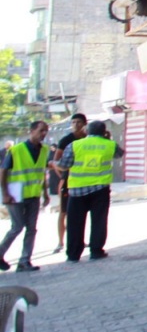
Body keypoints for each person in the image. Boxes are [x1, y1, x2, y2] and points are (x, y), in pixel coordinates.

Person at [57, 120, 124, 262]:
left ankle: (73, 254)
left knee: (75, 223)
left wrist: (53, 164)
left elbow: (63, 166)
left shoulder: (74, 145)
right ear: (104, 132)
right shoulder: (110, 145)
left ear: (86, 131)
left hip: (76, 190)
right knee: (99, 220)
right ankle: (96, 251)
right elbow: (119, 154)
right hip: (100, 189)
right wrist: (107, 138)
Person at [0, 121, 51, 272]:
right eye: (41, 130)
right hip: (15, 194)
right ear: (31, 131)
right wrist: (5, 194)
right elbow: (3, 172)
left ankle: (24, 261)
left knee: (31, 228)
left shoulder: (44, 150)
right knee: (17, 226)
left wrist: (45, 193)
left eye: (46, 131)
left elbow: (41, 172)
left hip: (33, 194)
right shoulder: (16, 150)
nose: (44, 134)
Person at [53, 113, 87, 253]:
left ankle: (79, 240)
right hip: (68, 182)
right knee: (64, 212)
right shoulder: (66, 140)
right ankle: (61, 242)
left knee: (80, 214)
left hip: (84, 181)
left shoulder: (88, 139)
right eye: (73, 122)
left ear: (85, 123)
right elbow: (56, 161)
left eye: (79, 122)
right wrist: (62, 177)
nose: (76, 125)